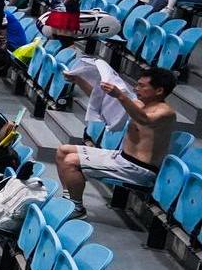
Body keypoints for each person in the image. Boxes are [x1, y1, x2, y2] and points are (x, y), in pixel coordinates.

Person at [58, 67, 177, 219]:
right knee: (63, 150)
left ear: (159, 90)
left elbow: (144, 119)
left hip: (138, 168)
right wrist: (78, 80)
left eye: (142, 86)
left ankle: (77, 208)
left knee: (71, 161)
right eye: (137, 84)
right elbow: (101, 101)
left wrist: (120, 95)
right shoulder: (139, 104)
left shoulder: (165, 112)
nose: (136, 88)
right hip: (121, 157)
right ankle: (68, 199)